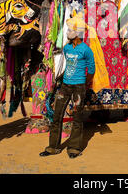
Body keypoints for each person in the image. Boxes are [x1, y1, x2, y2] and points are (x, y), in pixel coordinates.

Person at [40, 13, 95, 159]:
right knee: (57, 115)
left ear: (77, 33)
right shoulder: (67, 48)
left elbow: (92, 69)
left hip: (79, 88)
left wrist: (84, 83)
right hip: (65, 86)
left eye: (70, 30)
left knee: (77, 118)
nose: (67, 32)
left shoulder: (86, 50)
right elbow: (64, 65)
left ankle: (74, 148)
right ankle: (53, 147)